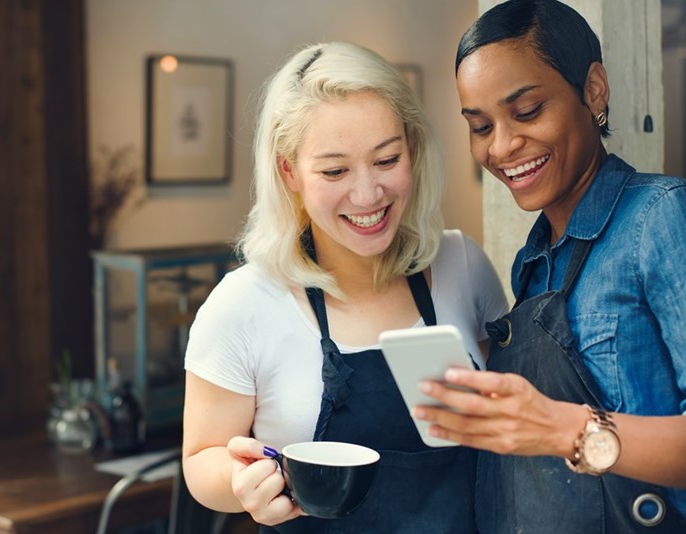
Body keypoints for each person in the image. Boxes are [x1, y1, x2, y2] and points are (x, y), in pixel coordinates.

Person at [413, 1, 686, 533]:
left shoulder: (664, 218)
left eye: (528, 111)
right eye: (480, 126)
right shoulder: (533, 261)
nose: (502, 146)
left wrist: (565, 429)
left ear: (593, 90)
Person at [181, 41, 508, 533]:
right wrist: (242, 483)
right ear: (289, 171)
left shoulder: (462, 265)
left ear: (413, 149)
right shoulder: (243, 304)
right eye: (335, 170)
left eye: (387, 160)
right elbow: (202, 458)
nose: (368, 194)